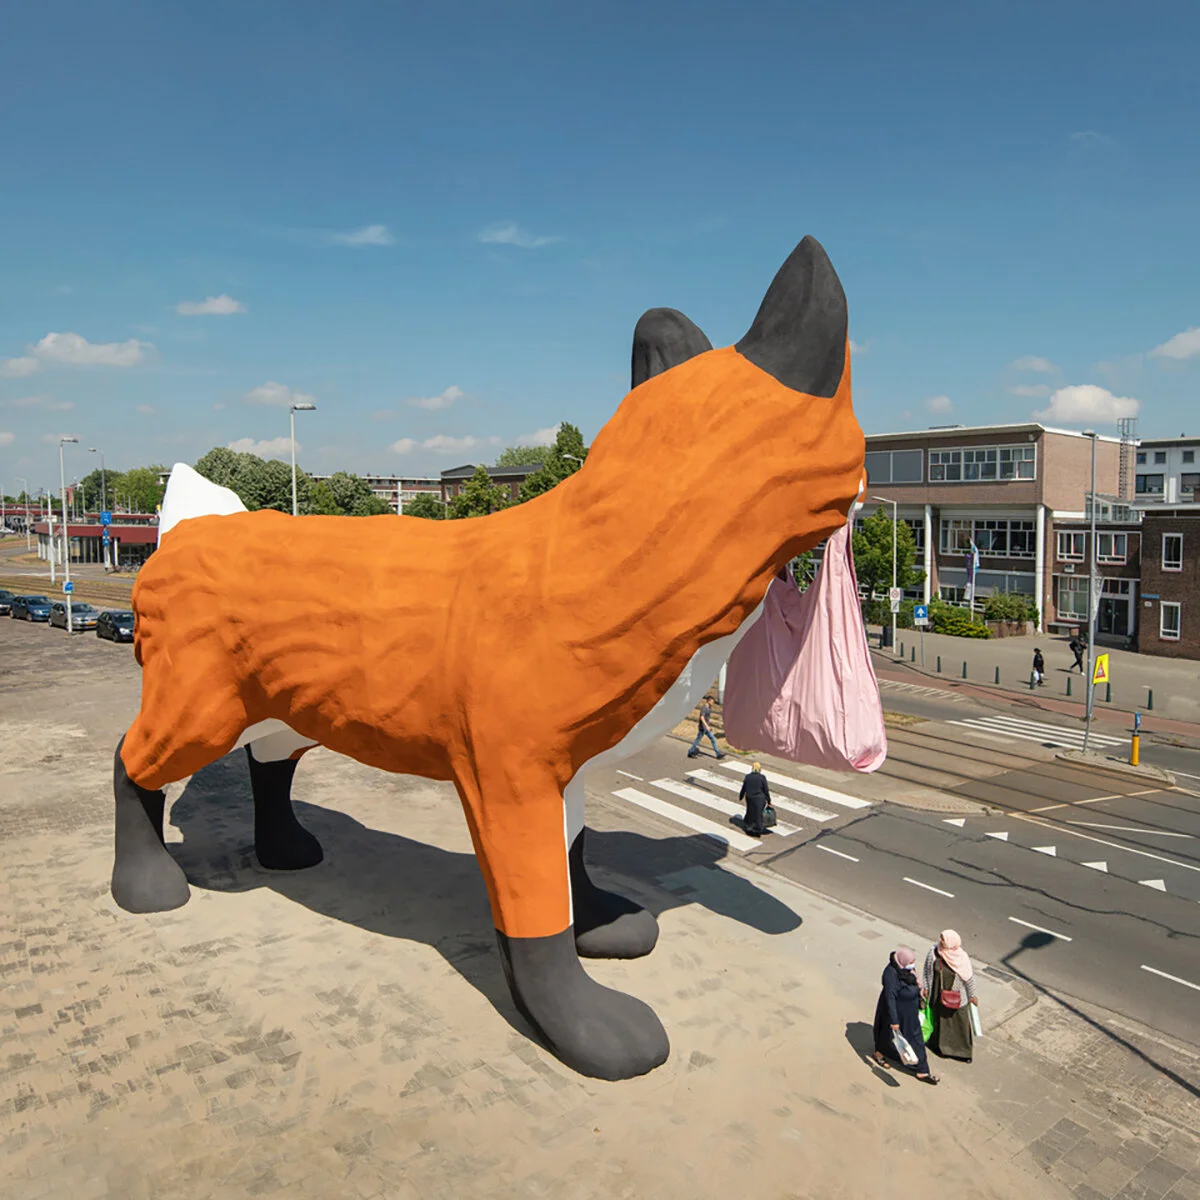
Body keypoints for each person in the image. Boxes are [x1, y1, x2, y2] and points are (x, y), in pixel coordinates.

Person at [872, 946, 938, 1084]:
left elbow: (915, 981)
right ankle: (879, 1053)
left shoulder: (906, 970)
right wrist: (894, 1020)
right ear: (902, 960)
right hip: (895, 1011)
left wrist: (921, 992)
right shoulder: (891, 973)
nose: (912, 965)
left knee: (916, 1038)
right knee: (887, 1034)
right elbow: (890, 997)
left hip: (910, 1013)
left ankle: (922, 1069)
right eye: (910, 962)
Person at [923, 930, 978, 1063]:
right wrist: (926, 987)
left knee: (959, 1022)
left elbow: (969, 978)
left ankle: (962, 1052)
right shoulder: (934, 952)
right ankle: (940, 1048)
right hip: (937, 992)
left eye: (944, 939)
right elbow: (927, 971)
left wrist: (972, 995)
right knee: (939, 1021)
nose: (941, 941)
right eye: (941, 938)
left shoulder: (961, 957)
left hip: (957, 996)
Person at [687, 695, 726, 760]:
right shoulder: (704, 708)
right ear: (708, 701)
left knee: (713, 739)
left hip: (706, 728)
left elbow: (706, 718)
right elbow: (702, 717)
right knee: (698, 740)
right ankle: (690, 751)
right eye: (712, 702)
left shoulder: (708, 708)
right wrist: (707, 726)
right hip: (703, 728)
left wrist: (708, 726)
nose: (713, 703)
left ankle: (718, 754)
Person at [739, 761, 771, 837]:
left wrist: (741, 796)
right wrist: (769, 800)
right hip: (759, 799)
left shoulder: (748, 777)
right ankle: (758, 829)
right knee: (758, 814)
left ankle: (749, 827)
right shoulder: (762, 777)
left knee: (750, 812)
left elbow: (744, 788)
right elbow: (765, 790)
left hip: (749, 798)